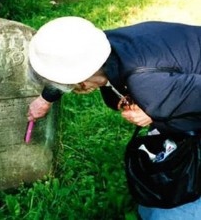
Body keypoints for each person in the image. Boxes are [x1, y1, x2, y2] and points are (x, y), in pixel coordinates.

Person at [27, 16, 201, 219]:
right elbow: (70, 63)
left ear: (82, 85)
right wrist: (46, 98)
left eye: (70, 87)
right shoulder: (105, 46)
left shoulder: (146, 85)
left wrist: (158, 114)